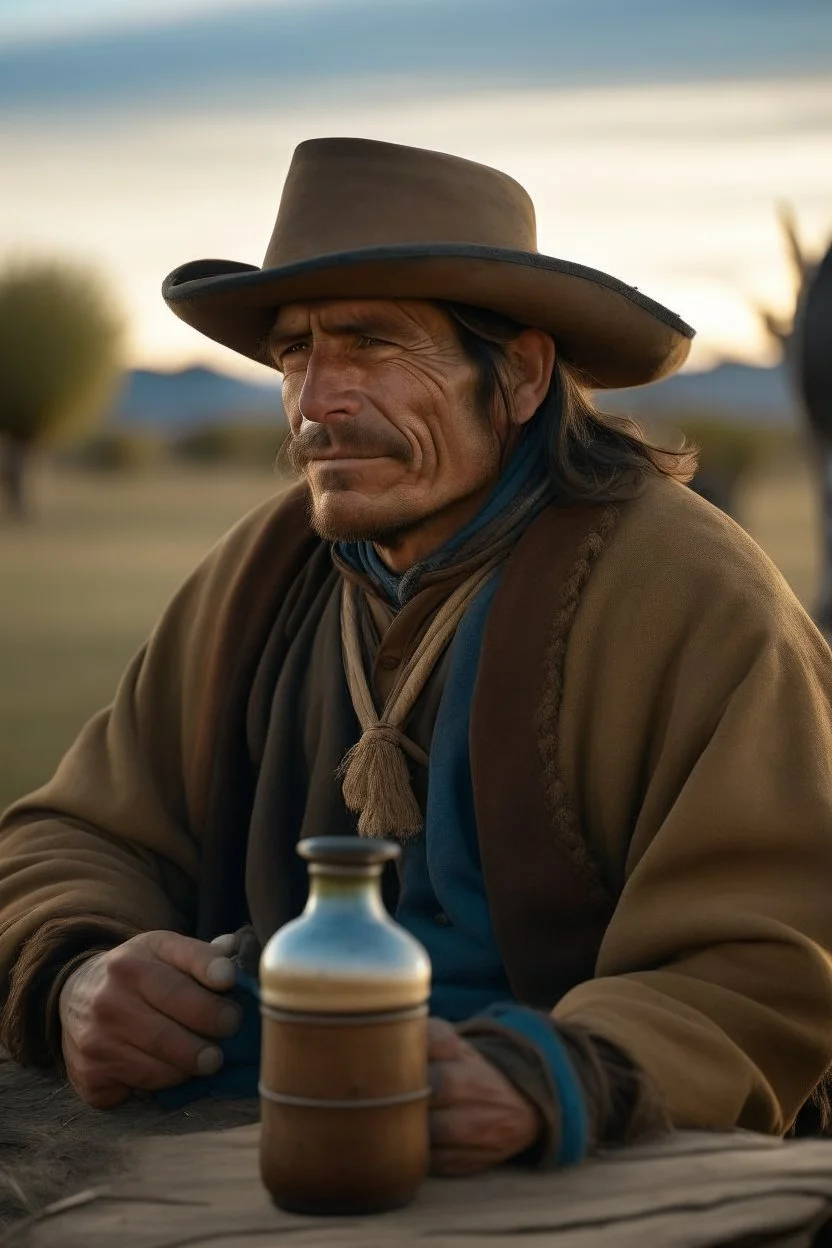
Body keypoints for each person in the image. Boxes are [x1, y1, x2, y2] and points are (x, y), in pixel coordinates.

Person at [2, 138, 832, 1178]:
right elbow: (73, 832)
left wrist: (543, 1080)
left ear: (520, 374)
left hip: (574, 1153)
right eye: (295, 352)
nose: (316, 404)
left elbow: (769, 956)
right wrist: (79, 973)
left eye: (372, 345)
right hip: (248, 1123)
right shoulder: (263, 574)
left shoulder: (690, 594)